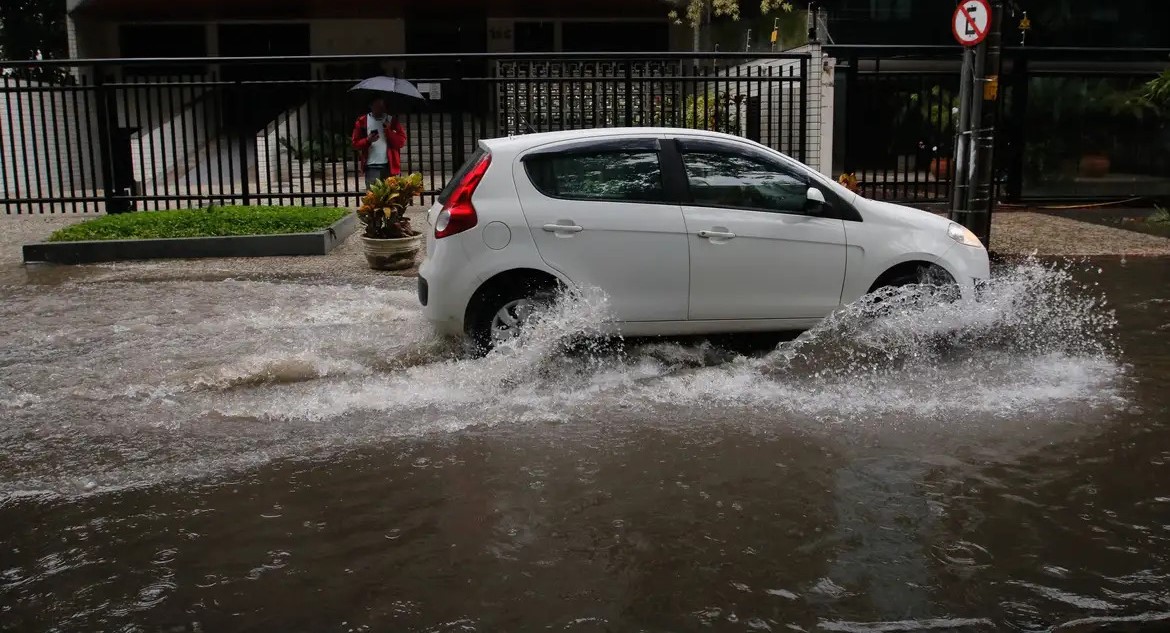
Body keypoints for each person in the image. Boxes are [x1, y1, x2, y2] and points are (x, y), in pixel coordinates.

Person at [351, 96, 407, 189]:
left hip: (390, 166)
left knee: (391, 198)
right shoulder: (362, 121)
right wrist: (368, 140)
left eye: (382, 106)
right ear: (371, 106)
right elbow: (355, 144)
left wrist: (389, 131)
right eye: (377, 106)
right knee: (373, 198)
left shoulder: (392, 121)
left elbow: (401, 142)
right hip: (371, 166)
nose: (380, 109)